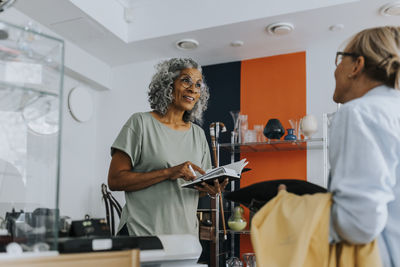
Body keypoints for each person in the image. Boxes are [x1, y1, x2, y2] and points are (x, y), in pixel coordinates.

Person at [107, 58, 228, 237]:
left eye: (198, 84)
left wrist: (210, 189)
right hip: (140, 234)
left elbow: (196, 190)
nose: (193, 89)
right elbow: (115, 181)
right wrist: (168, 173)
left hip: (185, 238)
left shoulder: (198, 134)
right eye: (186, 80)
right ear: (167, 84)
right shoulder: (140, 123)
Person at [328, 26, 400, 266]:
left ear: (357, 65)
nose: (336, 69)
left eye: (340, 59)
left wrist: (291, 210)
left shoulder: (359, 113)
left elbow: (358, 224)